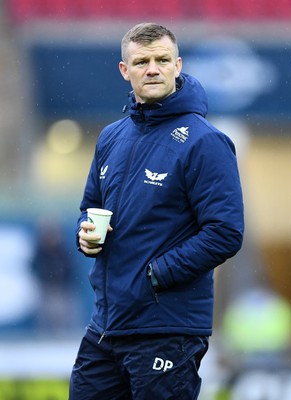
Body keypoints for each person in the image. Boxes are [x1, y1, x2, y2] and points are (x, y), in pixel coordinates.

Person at [69, 22, 244, 400]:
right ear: (124, 70)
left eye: (162, 60)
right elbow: (90, 208)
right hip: (106, 324)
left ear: (177, 65)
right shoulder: (111, 136)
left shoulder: (206, 141)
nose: (153, 68)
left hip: (167, 328)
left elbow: (225, 232)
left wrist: (155, 274)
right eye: (142, 61)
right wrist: (86, 233)